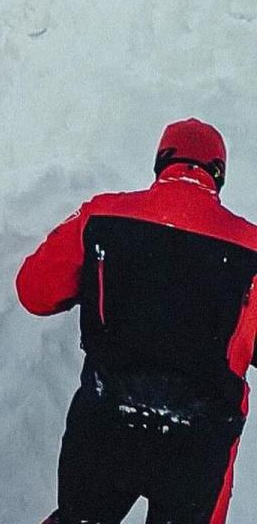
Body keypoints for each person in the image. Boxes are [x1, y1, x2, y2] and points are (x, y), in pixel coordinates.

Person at [17, 119, 257, 524]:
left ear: (161, 162)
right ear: (219, 174)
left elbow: (33, 291)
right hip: (197, 449)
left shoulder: (101, 217)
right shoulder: (250, 250)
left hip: (104, 425)